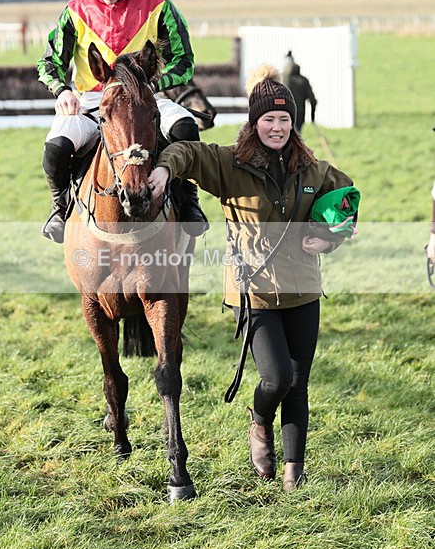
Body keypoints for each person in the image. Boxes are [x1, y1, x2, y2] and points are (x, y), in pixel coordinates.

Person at [147, 65, 358, 491]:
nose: (277, 127)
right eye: (268, 119)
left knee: (298, 385)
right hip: (253, 292)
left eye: (284, 119)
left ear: (293, 122)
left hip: (303, 289)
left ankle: (294, 473)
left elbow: (345, 204)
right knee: (277, 379)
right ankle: (260, 423)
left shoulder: (314, 170)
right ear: (254, 121)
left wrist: (329, 238)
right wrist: (165, 169)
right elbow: (187, 152)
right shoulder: (230, 164)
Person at [37, 0, 208, 243]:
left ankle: (188, 201)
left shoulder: (160, 7)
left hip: (145, 98)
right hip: (93, 102)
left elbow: (183, 61)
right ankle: (60, 207)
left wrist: (154, 84)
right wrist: (62, 90)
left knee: (185, 127)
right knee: (56, 147)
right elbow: (49, 63)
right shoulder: (74, 11)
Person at [283, 54, 317, 134]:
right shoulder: (304, 81)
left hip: (284, 114)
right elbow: (313, 101)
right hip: (299, 116)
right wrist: (312, 118)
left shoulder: (282, 79)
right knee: (296, 136)